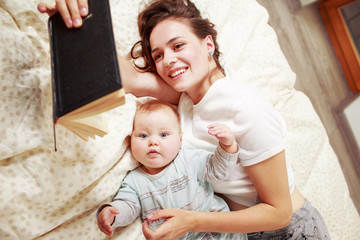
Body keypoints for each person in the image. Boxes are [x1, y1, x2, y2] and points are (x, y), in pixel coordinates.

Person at [37, 0, 330, 239]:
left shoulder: (245, 108)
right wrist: (75, 20)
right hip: (238, 231)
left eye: (178, 46)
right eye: (159, 54)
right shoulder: (186, 95)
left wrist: (190, 221)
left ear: (208, 45)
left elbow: (280, 212)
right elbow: (125, 76)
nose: (168, 61)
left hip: (289, 232)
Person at [96, 99, 246, 240]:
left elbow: (217, 170)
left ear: (180, 139)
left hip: (217, 231)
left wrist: (227, 146)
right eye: (143, 135)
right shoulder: (134, 181)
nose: (153, 142)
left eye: (163, 134)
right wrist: (112, 213)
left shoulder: (188, 159)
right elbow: (128, 206)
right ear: (130, 141)